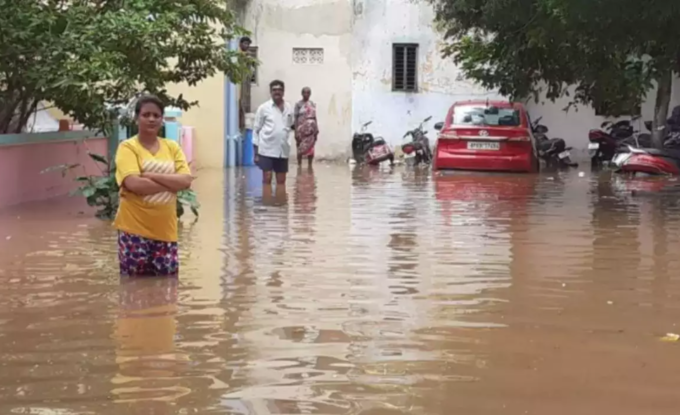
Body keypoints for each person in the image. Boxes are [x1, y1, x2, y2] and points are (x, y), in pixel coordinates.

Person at [113, 95, 194, 277]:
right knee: (133, 288)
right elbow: (134, 184)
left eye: (156, 115)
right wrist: (171, 182)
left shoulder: (172, 147)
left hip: (166, 230)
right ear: (136, 118)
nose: (151, 119)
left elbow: (186, 181)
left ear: (162, 119)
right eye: (146, 114)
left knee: (167, 287)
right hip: (134, 229)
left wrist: (151, 175)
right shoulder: (127, 148)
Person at [253, 80, 293, 185]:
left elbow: (290, 126)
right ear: (270, 92)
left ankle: (280, 201)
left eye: (280, 90)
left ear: (283, 92)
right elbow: (256, 130)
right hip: (267, 150)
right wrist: (256, 154)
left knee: (281, 181)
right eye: (274, 90)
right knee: (267, 178)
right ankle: (267, 200)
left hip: (282, 150)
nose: (277, 92)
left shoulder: (289, 108)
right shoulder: (263, 108)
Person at [294, 87, 319, 168]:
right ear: (302, 94)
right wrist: (296, 132)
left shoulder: (312, 104)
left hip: (311, 130)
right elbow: (296, 118)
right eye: (304, 93)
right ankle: (299, 166)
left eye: (308, 93)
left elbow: (315, 117)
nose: (306, 94)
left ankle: (310, 166)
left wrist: (316, 129)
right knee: (300, 147)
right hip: (301, 130)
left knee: (311, 148)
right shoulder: (298, 104)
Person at [238, 36, 253, 130]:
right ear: (240, 44)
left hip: (245, 82)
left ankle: (242, 126)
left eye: (248, 44)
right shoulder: (238, 54)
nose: (247, 46)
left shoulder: (248, 55)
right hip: (239, 82)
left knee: (243, 105)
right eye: (245, 43)